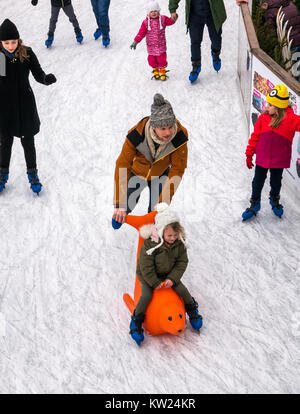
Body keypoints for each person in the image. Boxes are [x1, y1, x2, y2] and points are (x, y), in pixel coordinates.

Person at [129, 203, 203, 345]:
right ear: (161, 231)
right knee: (146, 296)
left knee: (183, 290)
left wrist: (172, 278)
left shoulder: (179, 243)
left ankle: (192, 310)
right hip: (148, 277)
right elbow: (145, 266)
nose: (172, 238)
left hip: (168, 275)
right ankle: (136, 321)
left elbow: (182, 262)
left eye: (175, 235)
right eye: (169, 235)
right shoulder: (150, 244)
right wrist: (154, 283)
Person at [112, 93, 188, 228]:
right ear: (154, 127)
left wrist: (163, 202)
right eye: (163, 128)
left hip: (160, 173)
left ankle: (153, 232)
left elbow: (177, 169)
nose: (168, 133)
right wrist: (120, 204)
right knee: (127, 203)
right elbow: (123, 164)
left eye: (170, 127)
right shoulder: (136, 134)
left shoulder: (179, 137)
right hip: (137, 172)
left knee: (156, 212)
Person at [0, 19, 56, 194]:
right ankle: (2, 174)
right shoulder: (0, 58)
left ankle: (33, 174)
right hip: (5, 108)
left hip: (25, 105)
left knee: (28, 142)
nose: (10, 46)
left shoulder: (26, 54)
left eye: (13, 42)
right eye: (6, 43)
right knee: (5, 143)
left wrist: (46, 79)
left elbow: (38, 74)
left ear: (19, 40)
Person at [242, 84, 300, 220]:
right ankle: (255, 203)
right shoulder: (263, 118)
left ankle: (274, 199)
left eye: (270, 105)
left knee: (276, 182)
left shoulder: (290, 120)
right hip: (262, 158)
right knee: (257, 182)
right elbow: (255, 137)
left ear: (279, 108)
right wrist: (249, 154)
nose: (266, 107)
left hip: (278, 161)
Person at [168, 0, 227, 83]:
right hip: (195, 15)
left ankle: (215, 53)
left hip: (213, 13)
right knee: (195, 42)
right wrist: (172, 9)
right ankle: (196, 65)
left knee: (216, 39)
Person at [130, 1, 175, 81]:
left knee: (162, 59)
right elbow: (141, 33)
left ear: (159, 11)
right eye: (151, 11)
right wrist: (136, 41)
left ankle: (162, 71)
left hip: (161, 45)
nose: (154, 13)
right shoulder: (145, 23)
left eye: (155, 11)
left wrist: (174, 18)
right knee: (151, 60)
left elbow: (170, 22)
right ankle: (155, 70)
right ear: (148, 13)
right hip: (151, 46)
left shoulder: (163, 19)